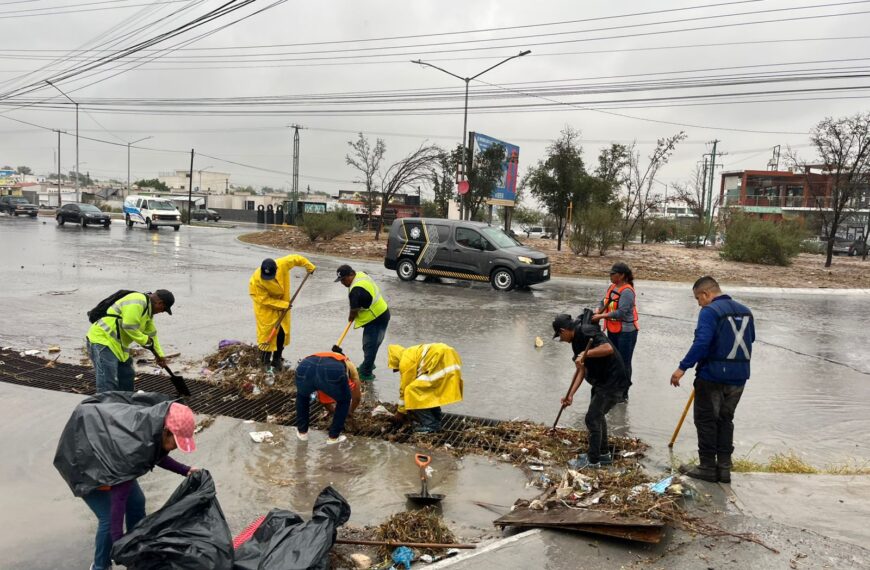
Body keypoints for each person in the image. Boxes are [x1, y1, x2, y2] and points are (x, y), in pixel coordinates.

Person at [53, 393, 198, 570]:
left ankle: (137, 548)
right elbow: (119, 498)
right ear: (166, 431)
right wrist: (118, 542)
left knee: (137, 502)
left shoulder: (153, 427)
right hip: (84, 465)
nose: (176, 448)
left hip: (112, 454)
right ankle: (100, 566)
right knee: (108, 518)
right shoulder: (133, 452)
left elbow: (154, 453)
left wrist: (185, 470)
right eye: (176, 442)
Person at [670, 276, 755, 484]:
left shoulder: (709, 311)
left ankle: (707, 467)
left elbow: (702, 342)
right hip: (740, 376)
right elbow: (751, 339)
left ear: (706, 294)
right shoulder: (746, 311)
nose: (699, 303)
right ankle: (724, 468)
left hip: (713, 375)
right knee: (725, 419)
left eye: (698, 299)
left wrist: (682, 367)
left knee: (706, 420)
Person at [553, 313, 630, 469]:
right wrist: (570, 395)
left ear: (563, 330)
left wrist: (586, 353)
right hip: (601, 382)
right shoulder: (576, 343)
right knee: (598, 416)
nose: (561, 339)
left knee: (592, 418)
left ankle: (593, 461)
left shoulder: (586, 331)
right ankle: (603, 455)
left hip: (613, 381)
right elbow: (581, 370)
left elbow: (608, 348)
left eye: (560, 336)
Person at [86, 290, 175, 393]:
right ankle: (105, 402)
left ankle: (125, 400)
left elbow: (152, 335)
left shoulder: (147, 312)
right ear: (160, 303)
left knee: (127, 376)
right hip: (102, 341)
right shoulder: (138, 301)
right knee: (108, 381)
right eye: (163, 309)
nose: (161, 312)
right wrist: (144, 340)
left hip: (118, 346)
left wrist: (160, 355)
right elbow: (129, 326)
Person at [249, 255, 316, 371]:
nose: (268, 279)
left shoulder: (282, 264)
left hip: (283, 305)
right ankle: (264, 362)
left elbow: (295, 258)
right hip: (265, 309)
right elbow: (263, 300)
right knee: (266, 334)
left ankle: (277, 359)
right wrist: (284, 305)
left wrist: (308, 265)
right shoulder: (256, 280)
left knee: (282, 332)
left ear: (276, 269)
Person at [387, 343, 463, 433]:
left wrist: (400, 412)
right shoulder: (410, 352)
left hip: (441, 359)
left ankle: (430, 425)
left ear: (395, 359)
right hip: (449, 358)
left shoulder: (405, 361)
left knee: (411, 391)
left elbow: (405, 388)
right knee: (428, 392)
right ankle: (436, 421)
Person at [592, 262, 638, 402]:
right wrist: (598, 309)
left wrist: (601, 316)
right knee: (614, 360)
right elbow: (604, 301)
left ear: (622, 275)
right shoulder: (612, 287)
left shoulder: (627, 291)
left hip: (626, 332)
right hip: (613, 329)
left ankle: (623, 393)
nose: (610, 276)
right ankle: (614, 388)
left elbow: (621, 312)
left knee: (624, 362)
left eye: (613, 274)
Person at [335, 264, 390, 381]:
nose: (342, 283)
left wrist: (351, 318)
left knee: (370, 346)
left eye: (344, 279)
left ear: (351, 274)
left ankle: (366, 373)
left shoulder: (356, 290)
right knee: (372, 345)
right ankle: (368, 364)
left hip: (376, 318)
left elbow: (354, 310)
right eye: (341, 280)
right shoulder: (361, 275)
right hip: (382, 312)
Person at [294, 351, 358, 444]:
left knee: (302, 396)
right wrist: (350, 411)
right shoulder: (349, 363)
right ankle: (333, 438)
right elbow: (357, 396)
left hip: (305, 365)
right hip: (332, 370)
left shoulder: (320, 355)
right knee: (344, 401)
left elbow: (323, 394)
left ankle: (302, 433)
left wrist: (331, 410)